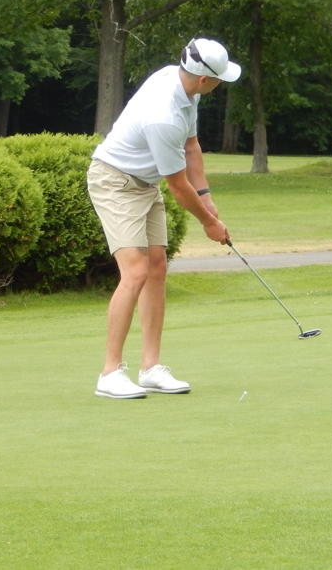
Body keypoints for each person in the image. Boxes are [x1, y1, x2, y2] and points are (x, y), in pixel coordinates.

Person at [88, 38, 240, 399]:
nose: (220, 84)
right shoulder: (164, 115)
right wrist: (209, 223)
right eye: (219, 79)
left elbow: (192, 147)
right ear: (204, 79)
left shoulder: (185, 88)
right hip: (115, 181)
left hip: (145, 183)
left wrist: (207, 197)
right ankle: (109, 373)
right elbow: (178, 187)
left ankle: (150, 368)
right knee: (136, 271)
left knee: (156, 267)